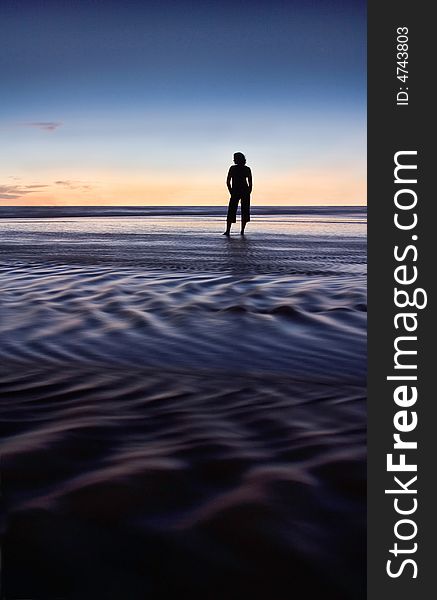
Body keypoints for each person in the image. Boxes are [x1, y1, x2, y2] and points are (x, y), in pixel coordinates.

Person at [224, 152, 252, 235]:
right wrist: (231, 191)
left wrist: (231, 191)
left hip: (239, 191)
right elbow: (250, 183)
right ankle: (232, 231)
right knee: (236, 210)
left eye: (235, 158)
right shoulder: (242, 168)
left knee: (237, 210)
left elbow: (250, 182)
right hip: (240, 191)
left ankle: (235, 231)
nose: (234, 160)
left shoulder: (239, 168)